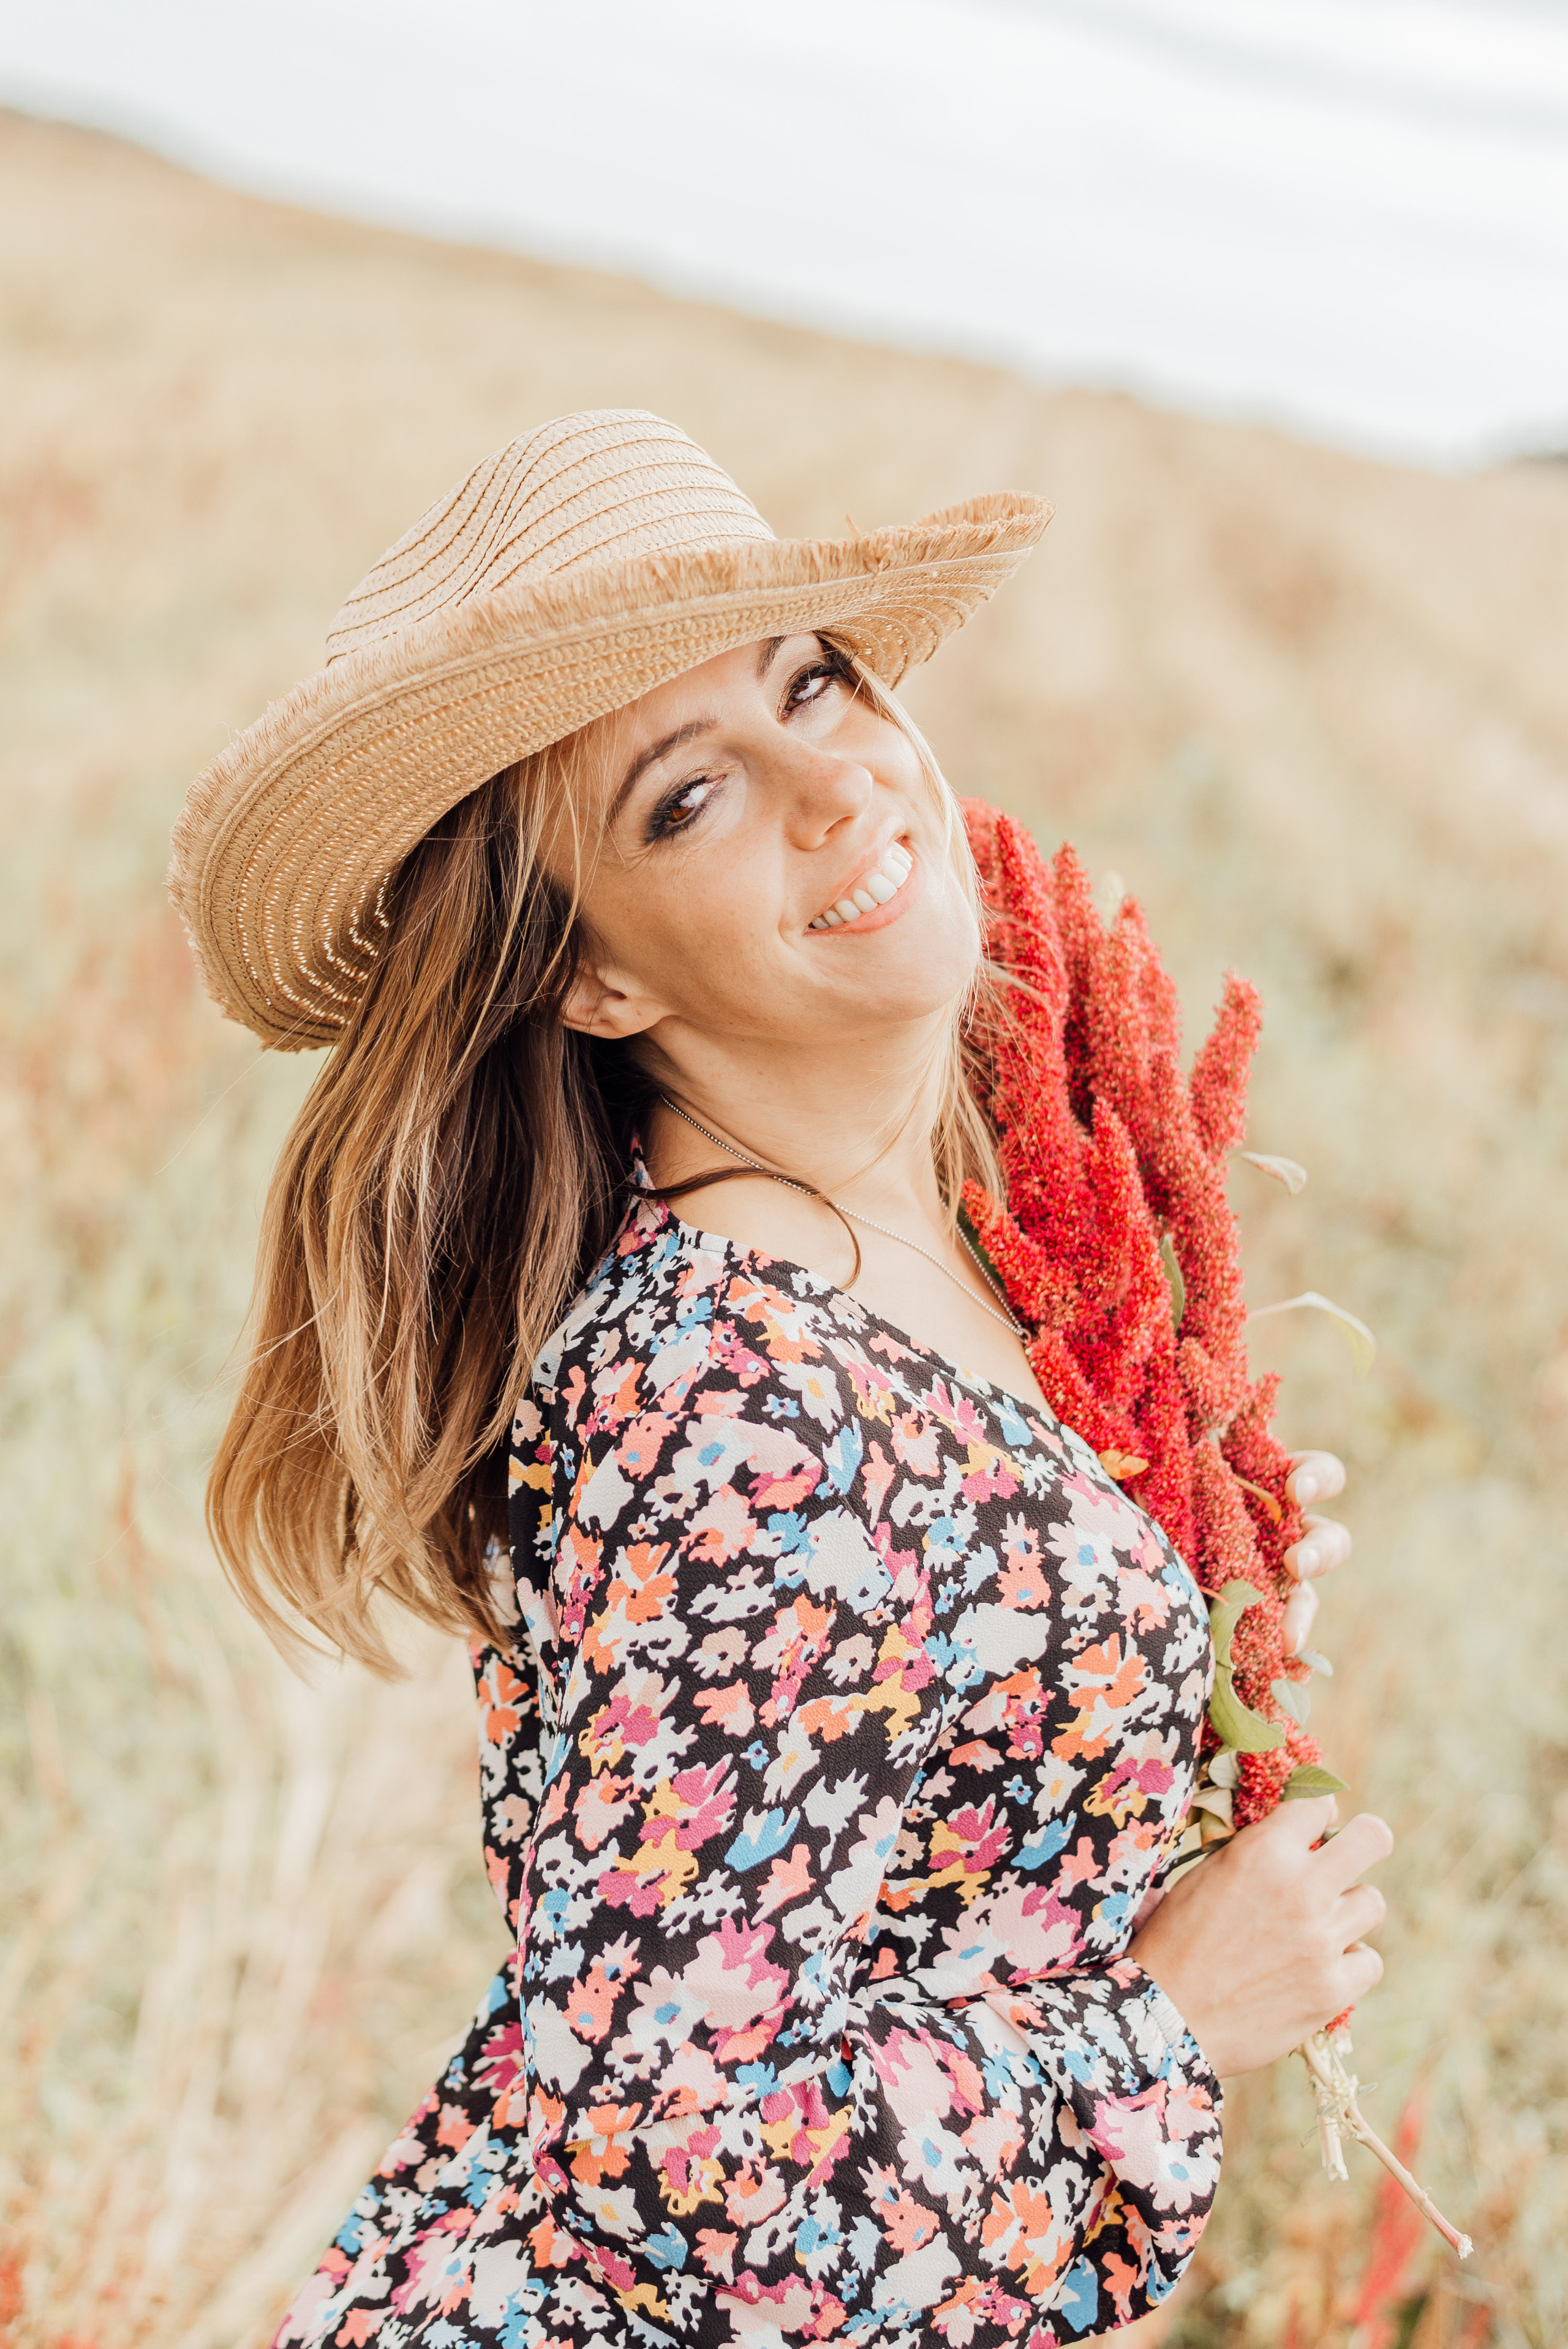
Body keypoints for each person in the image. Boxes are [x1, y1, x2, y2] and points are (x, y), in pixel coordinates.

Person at [170, 410, 1389, 2348]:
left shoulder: (942, 1228)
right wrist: (1169, 2015)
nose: (831, 782)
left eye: (811, 682)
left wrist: (1181, 1583)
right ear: (592, 978)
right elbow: (666, 2155)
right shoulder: (730, 1392)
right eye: (687, 798)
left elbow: (924, 1760)